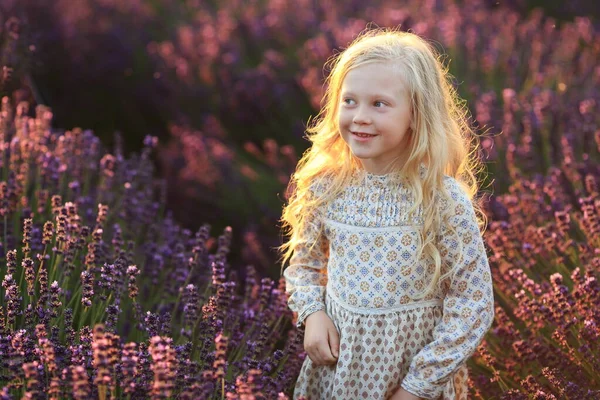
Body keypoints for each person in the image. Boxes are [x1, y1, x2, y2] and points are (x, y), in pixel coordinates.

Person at [277, 27, 495, 400]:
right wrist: (312, 313)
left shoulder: (442, 199)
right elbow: (304, 264)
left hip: (413, 378)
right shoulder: (326, 185)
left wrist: (417, 386)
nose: (360, 116)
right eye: (350, 101)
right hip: (341, 374)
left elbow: (473, 302)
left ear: (416, 113)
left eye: (379, 104)